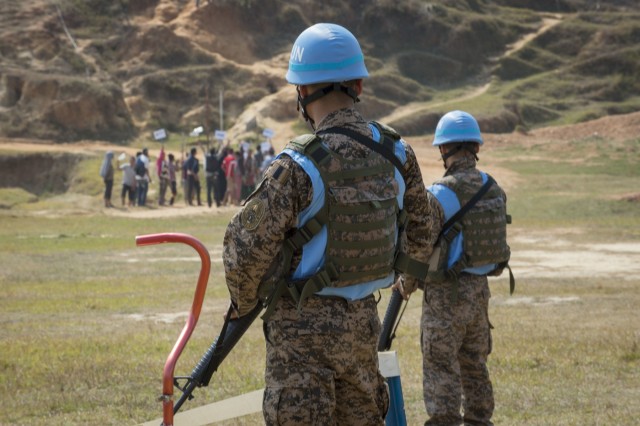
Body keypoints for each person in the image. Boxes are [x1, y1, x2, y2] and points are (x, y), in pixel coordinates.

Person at [222, 23, 432, 425]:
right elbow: (422, 229)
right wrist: (405, 281)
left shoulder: (297, 166)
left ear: (301, 92)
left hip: (301, 339)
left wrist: (245, 303)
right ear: (359, 85)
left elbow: (242, 252)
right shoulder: (398, 153)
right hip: (363, 330)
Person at [396, 110, 511, 426]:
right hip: (480, 293)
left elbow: (421, 247)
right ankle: (479, 420)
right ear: (475, 146)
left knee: (440, 364)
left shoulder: (440, 192)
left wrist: (406, 283)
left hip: (446, 294)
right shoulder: (493, 187)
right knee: (475, 363)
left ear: (444, 149)